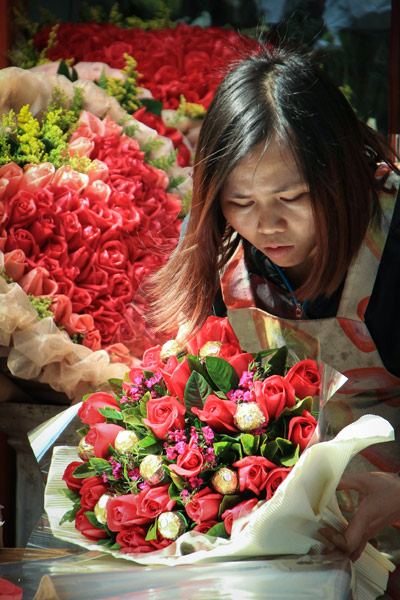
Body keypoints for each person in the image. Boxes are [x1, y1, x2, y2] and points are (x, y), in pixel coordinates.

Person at [150, 43, 400, 572]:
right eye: (241, 202)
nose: (266, 226)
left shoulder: (392, 236)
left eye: (292, 197)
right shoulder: (219, 249)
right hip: (275, 553)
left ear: (343, 174)